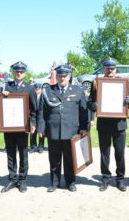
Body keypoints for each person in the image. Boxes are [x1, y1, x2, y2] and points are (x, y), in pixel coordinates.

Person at [37, 64, 88, 192]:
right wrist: (40, 128)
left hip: (71, 130)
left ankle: (70, 182)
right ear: (57, 76)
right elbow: (41, 111)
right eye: (60, 76)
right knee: (54, 159)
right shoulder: (48, 90)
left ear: (69, 76)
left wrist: (84, 127)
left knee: (70, 158)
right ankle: (54, 182)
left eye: (65, 76)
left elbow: (84, 111)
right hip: (53, 130)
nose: (62, 78)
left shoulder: (77, 90)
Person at [88, 58, 129, 192]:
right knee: (104, 153)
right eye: (107, 68)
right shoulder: (97, 83)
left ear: (116, 69)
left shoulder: (123, 82)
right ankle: (105, 178)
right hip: (104, 123)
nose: (110, 70)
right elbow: (90, 102)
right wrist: (93, 106)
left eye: (112, 68)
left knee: (119, 153)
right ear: (103, 68)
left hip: (119, 124)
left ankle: (120, 179)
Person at [1, 61, 37, 193]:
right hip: (9, 127)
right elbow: (0, 105)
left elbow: (34, 109)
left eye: (21, 71)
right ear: (13, 73)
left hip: (23, 127)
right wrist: (3, 96)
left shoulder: (29, 88)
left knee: (23, 153)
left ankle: (22, 180)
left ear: (25, 73)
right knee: (10, 153)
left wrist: (33, 123)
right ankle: (12, 179)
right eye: (16, 71)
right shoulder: (7, 86)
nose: (19, 73)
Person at [29, 83, 45, 153]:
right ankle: (33, 147)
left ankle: (41, 147)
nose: (36, 91)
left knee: (41, 132)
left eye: (37, 89)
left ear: (40, 89)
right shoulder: (32, 95)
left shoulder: (44, 96)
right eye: (35, 89)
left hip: (41, 117)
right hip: (33, 116)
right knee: (32, 132)